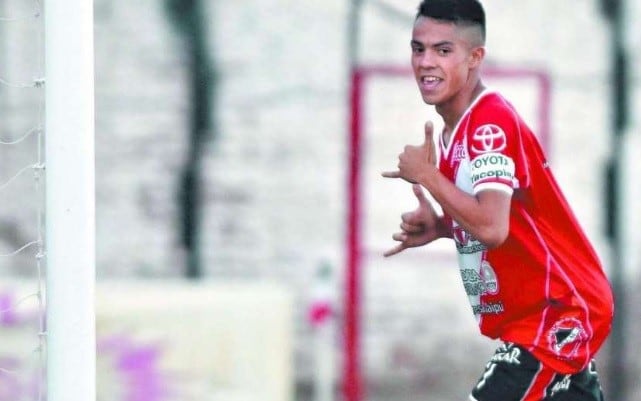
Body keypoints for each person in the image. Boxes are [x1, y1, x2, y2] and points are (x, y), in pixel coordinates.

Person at [381, 1, 614, 400]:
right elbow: (505, 221)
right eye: (418, 49)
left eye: (443, 50)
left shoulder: (489, 123)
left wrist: (428, 176)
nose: (425, 62)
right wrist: (441, 227)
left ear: (475, 58)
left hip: (557, 312)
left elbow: (491, 227)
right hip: (543, 315)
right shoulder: (454, 133)